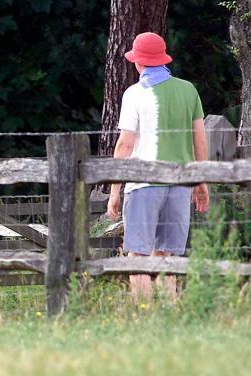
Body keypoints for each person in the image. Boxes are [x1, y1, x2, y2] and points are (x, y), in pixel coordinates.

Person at [106, 32, 210, 303]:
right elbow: (199, 138)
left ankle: (144, 313)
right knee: (166, 254)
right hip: (179, 184)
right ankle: (169, 309)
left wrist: (114, 189)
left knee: (138, 254)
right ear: (162, 59)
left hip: (143, 184)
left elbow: (125, 145)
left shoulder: (135, 94)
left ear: (138, 62)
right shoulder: (188, 90)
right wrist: (201, 181)